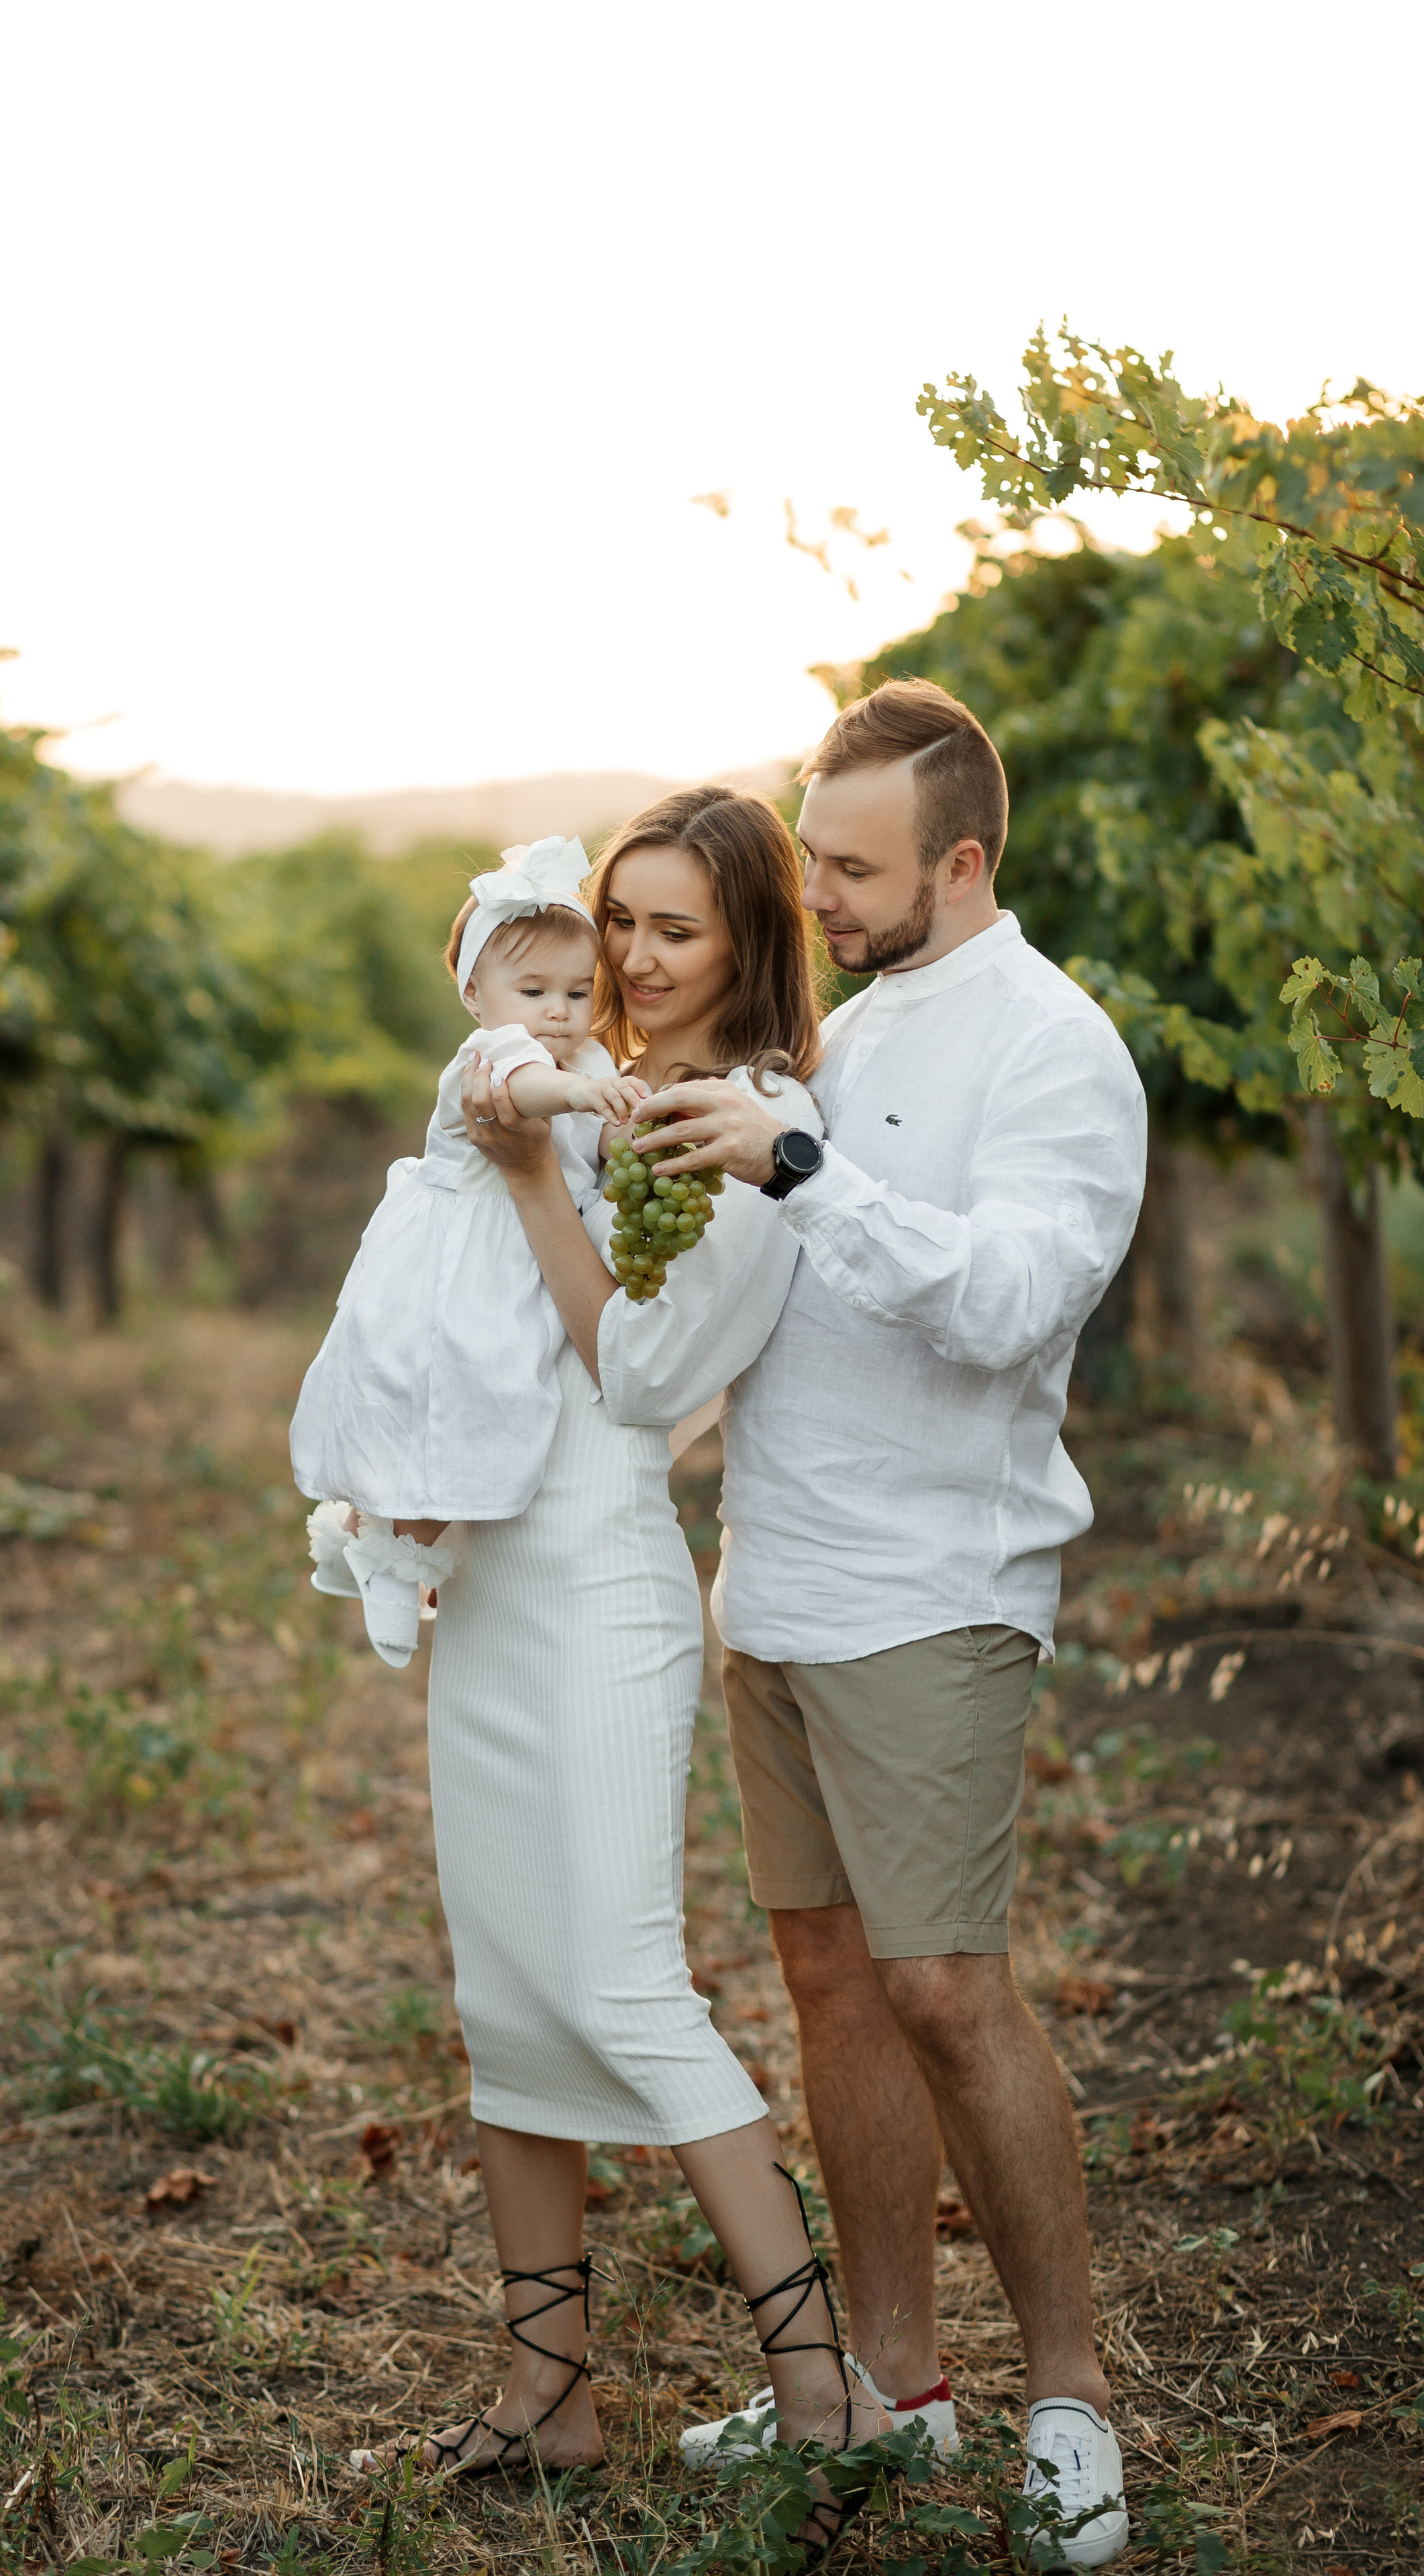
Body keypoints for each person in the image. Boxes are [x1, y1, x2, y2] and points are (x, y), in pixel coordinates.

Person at [634, 682, 1148, 2567]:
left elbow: (1006, 1303)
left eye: (852, 869)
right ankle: (887, 2385)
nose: (817, 898)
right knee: (830, 1979)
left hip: (933, 1591)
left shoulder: (1053, 1048)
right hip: (772, 1579)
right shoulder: (835, 1039)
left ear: (962, 858)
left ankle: (1069, 2400)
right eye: (813, 861)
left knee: (943, 1988)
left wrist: (799, 1168)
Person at [350, 788, 888, 2557]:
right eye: (619, 925)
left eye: (674, 929)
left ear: (745, 942)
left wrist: (527, 1181)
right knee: (508, 1992)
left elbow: (645, 1381)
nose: (635, 961)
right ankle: (547, 2393)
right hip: (503, 1579)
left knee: (622, 1982)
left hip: (600, 1591)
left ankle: (822, 2389)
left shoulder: (754, 1129)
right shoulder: (602, 1088)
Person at [289, 837, 647, 1666]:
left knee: (481, 1411)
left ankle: (363, 1533)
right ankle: (396, 1558)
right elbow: (526, 1094)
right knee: (448, 1400)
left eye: (577, 992)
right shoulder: (494, 1057)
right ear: (475, 995)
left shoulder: (585, 1058)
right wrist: (584, 1092)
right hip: (458, 1264)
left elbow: (596, 1144)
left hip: (525, 1262)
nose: (557, 1012)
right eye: (533, 991)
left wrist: (624, 1118)